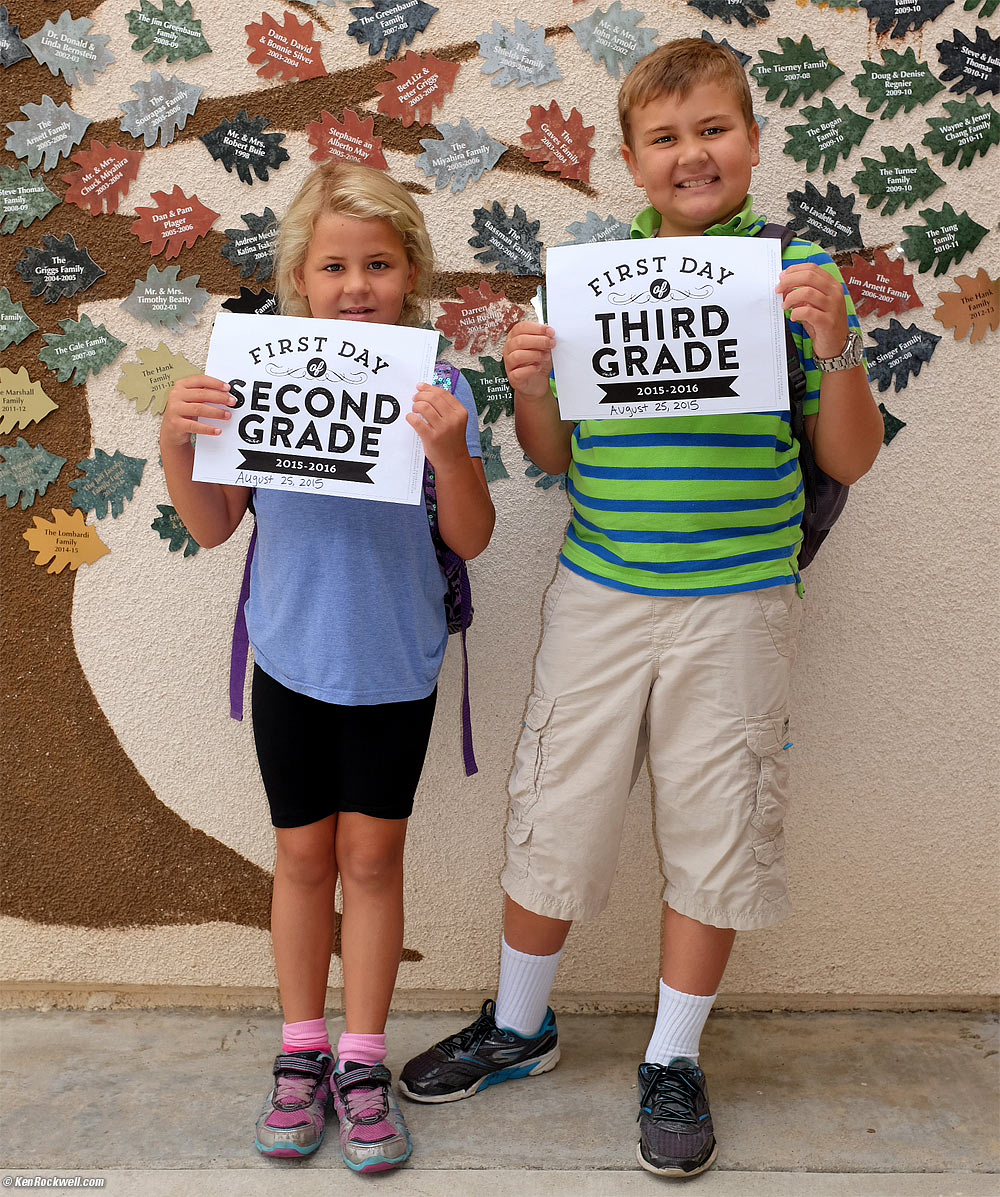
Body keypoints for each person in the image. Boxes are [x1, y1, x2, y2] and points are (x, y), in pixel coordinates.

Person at [399, 38, 883, 1178]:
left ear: (754, 142)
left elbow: (848, 458)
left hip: (741, 605)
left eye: (713, 129)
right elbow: (555, 457)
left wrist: (837, 342)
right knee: (555, 804)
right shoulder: (592, 280)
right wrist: (527, 385)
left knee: (717, 822)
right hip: (601, 591)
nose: (691, 153)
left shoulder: (795, 276)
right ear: (630, 160)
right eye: (664, 138)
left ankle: (673, 1056)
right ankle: (521, 1027)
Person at [160, 162, 495, 1174]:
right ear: (299, 281)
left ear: (412, 277)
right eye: (335, 265)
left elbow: (471, 537)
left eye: (380, 264)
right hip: (292, 660)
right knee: (303, 861)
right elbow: (214, 530)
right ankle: (301, 1053)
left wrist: (450, 455)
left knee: (372, 864)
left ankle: (360, 1060)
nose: (357, 283)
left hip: (395, 666)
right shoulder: (255, 379)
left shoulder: (442, 388)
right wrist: (177, 445)